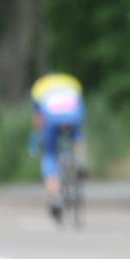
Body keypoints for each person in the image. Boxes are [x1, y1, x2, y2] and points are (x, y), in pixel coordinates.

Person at [30, 73, 87, 222]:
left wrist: (37, 136)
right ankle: (80, 159)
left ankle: (55, 199)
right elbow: (80, 101)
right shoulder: (71, 81)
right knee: (77, 134)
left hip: (52, 118)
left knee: (50, 157)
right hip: (73, 114)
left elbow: (37, 118)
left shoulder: (39, 87)